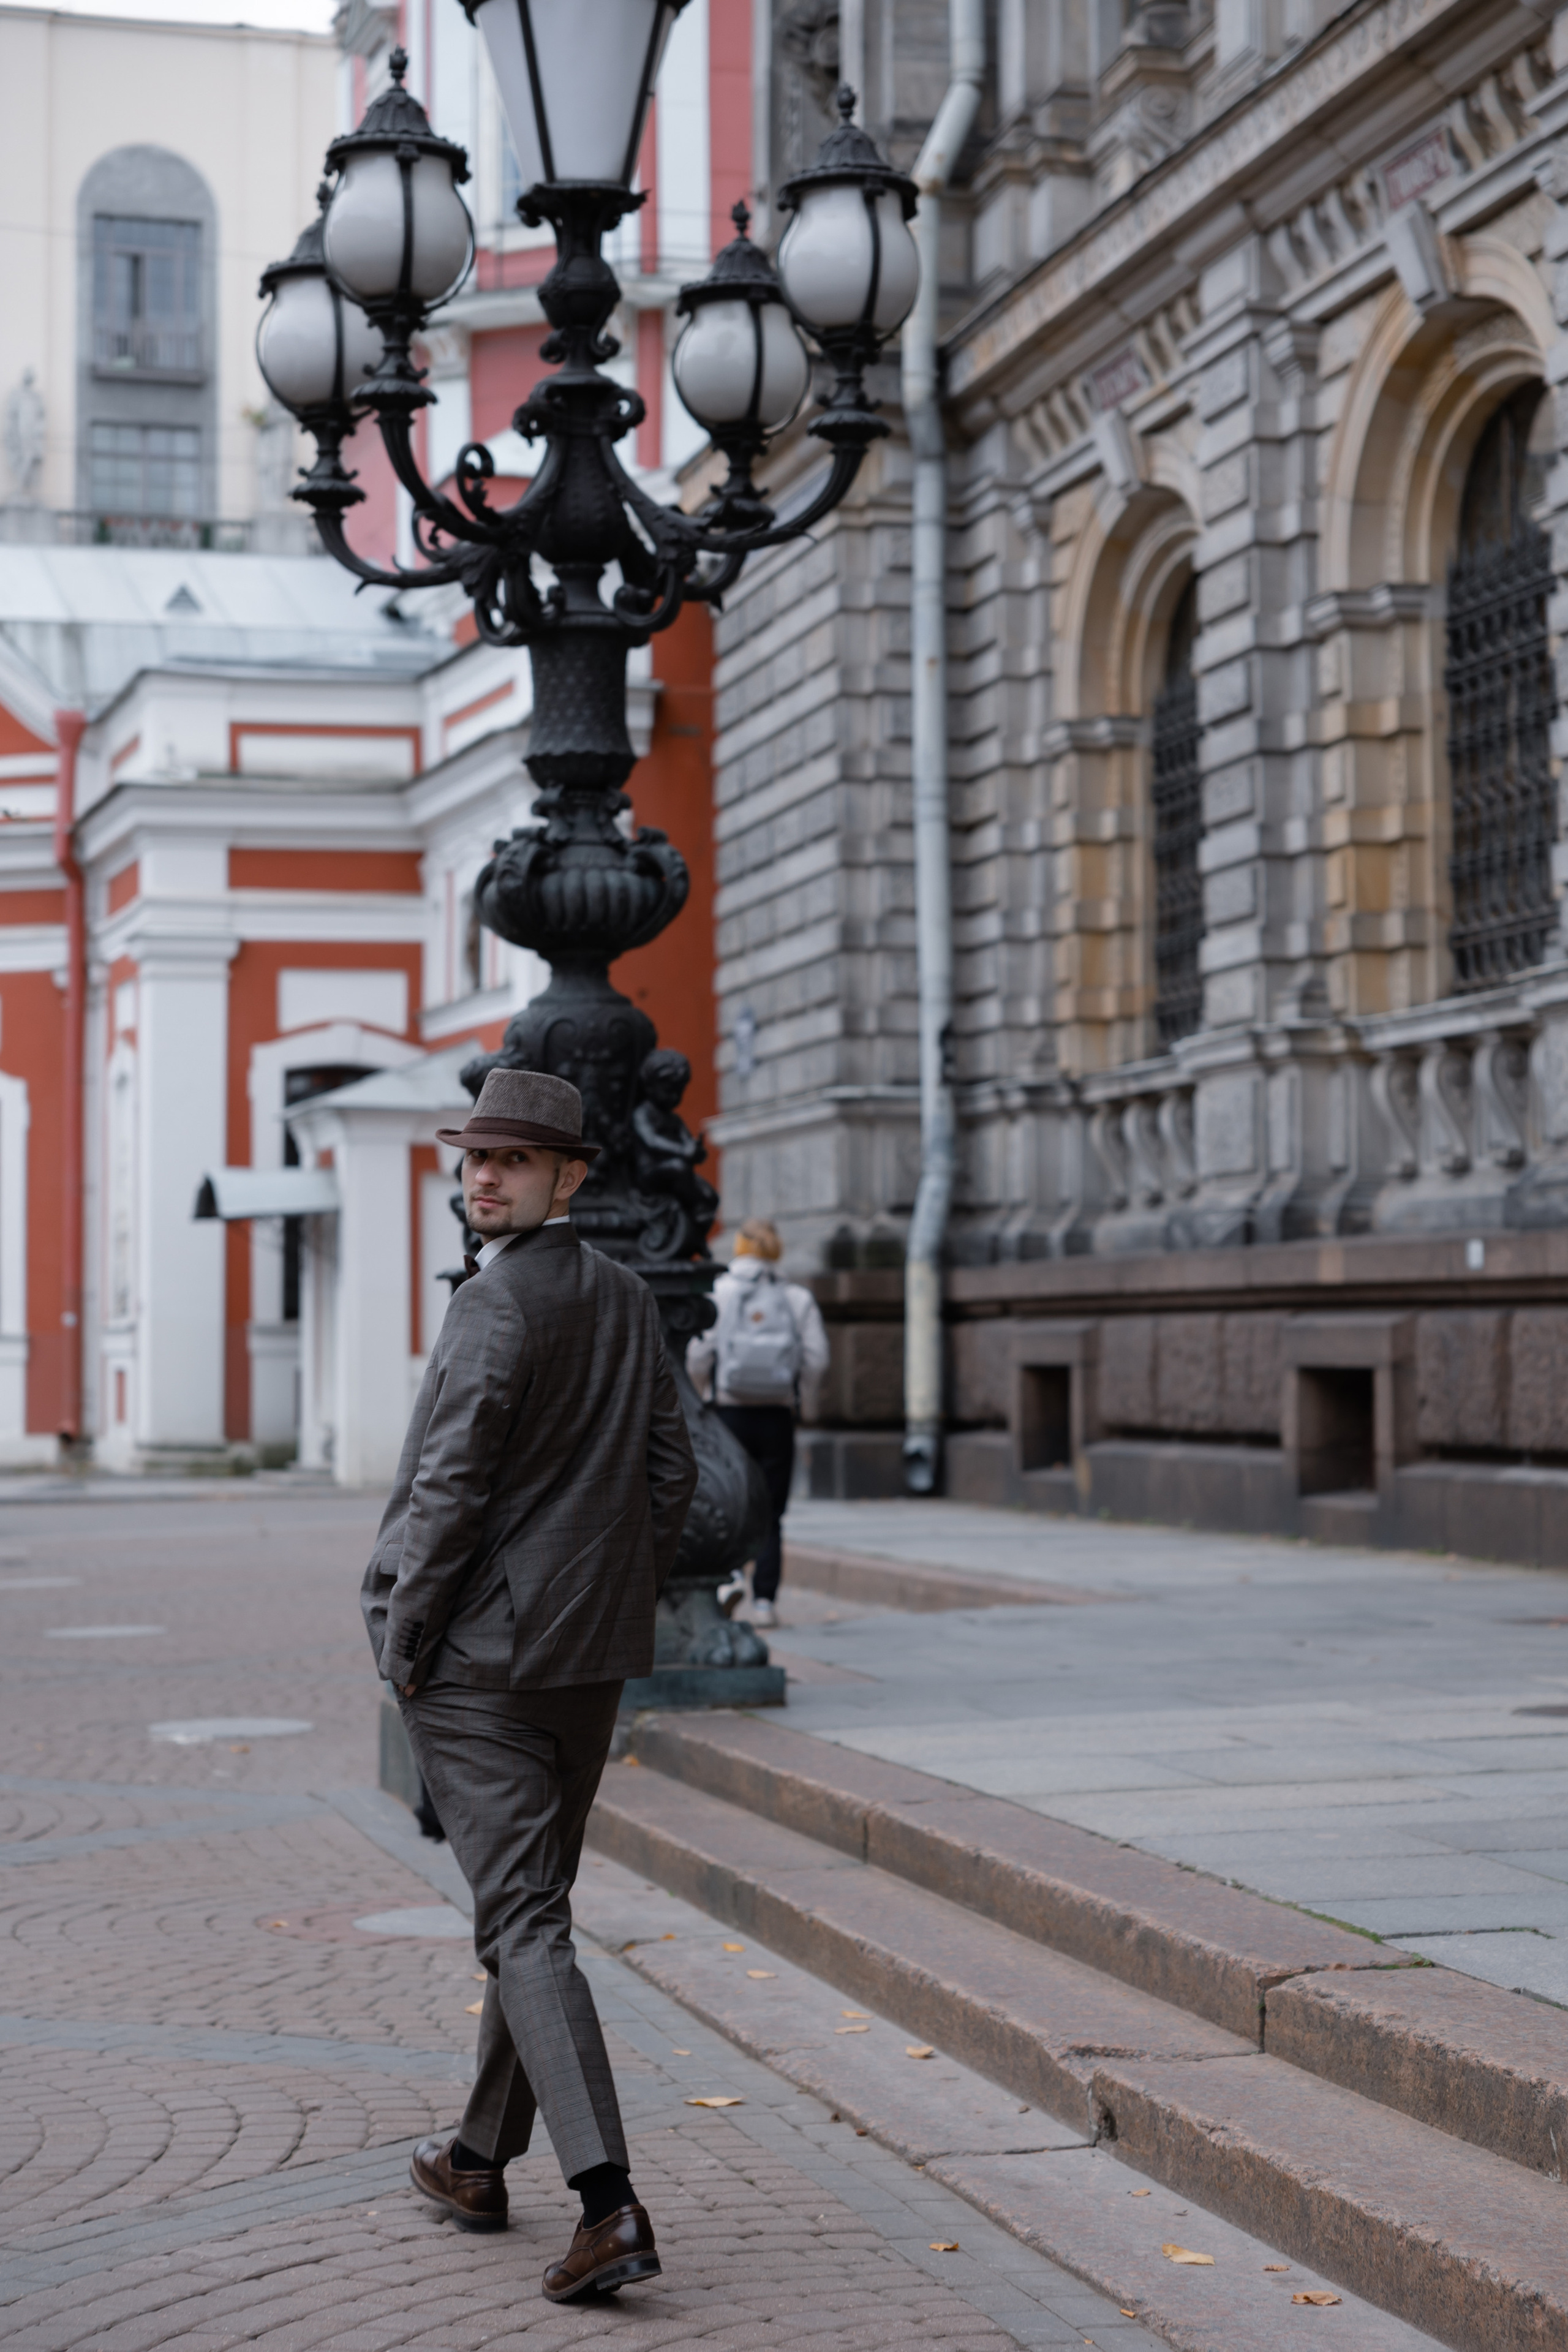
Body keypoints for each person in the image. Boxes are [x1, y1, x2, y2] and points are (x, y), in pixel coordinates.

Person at [361, 1068, 698, 2303]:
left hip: (481, 1666)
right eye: (474, 1159)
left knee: (525, 1919)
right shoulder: (623, 1297)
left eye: (512, 1162)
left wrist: (405, 1646)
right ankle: (471, 2159)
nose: (484, 1177)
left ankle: (607, 2207)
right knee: (529, 1904)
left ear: (571, 1178)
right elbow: (671, 1472)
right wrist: (612, 1593)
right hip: (582, 1660)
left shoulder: (493, 1306)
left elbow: (444, 1495)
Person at [685, 1218, 828, 1627]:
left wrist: (704, 1393)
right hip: (777, 1415)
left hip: (728, 1412)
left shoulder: (721, 1291)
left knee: (729, 1500)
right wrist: (798, 1393)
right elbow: (817, 1357)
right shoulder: (796, 1298)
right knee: (771, 1509)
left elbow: (699, 1353)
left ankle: (729, 1577)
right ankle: (765, 1601)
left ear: (741, 1249)